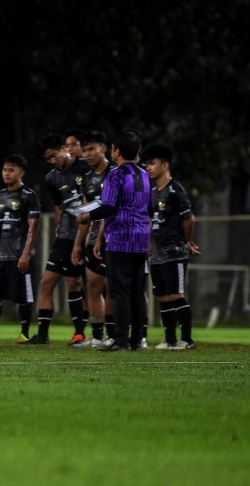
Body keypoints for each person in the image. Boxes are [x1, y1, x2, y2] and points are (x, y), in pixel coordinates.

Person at [27, 132, 92, 345]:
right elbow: (58, 205)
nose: (52, 161)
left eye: (54, 155)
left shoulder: (85, 167)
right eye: (48, 159)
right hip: (65, 234)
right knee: (47, 282)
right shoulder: (51, 178)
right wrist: (58, 225)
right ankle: (43, 334)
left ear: (65, 148)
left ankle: (83, 333)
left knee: (78, 283)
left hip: (87, 233)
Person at [92, 129, 151, 351]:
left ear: (116, 151)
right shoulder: (145, 175)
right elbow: (150, 208)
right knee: (137, 291)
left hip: (120, 238)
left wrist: (86, 215)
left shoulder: (115, 175)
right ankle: (137, 339)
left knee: (119, 292)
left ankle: (120, 339)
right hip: (141, 239)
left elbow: (108, 206)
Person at [141, 143, 198, 350]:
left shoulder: (176, 190)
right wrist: (148, 243)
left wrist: (185, 241)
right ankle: (170, 339)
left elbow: (189, 219)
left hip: (174, 251)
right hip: (157, 251)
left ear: (165, 165)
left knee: (175, 295)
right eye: (147, 164)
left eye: (152, 164)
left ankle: (187, 339)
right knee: (162, 296)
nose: (148, 168)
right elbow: (150, 219)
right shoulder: (153, 191)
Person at [0, 154, 40, 345]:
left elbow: (33, 226)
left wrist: (25, 253)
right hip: (1, 255)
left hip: (19, 255)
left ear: (21, 172)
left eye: (11, 170)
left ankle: (24, 334)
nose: (6, 173)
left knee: (23, 296)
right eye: (5, 169)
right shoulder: (0, 195)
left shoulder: (29, 196)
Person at [71, 130, 115, 346]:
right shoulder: (87, 179)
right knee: (93, 287)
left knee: (115, 288)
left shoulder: (115, 174)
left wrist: (102, 237)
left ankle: (117, 334)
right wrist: (77, 245)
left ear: (103, 148)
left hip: (115, 239)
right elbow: (84, 215)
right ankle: (98, 336)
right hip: (92, 240)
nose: (87, 154)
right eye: (84, 150)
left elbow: (113, 209)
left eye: (91, 149)